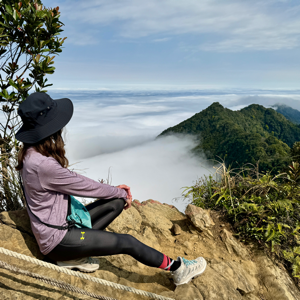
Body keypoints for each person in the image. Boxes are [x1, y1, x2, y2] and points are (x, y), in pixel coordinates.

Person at [15, 92, 206, 286]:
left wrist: (117, 193)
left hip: (64, 223)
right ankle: (178, 269)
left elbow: (75, 182)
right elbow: (83, 186)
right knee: (127, 242)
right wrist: (121, 191)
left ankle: (76, 254)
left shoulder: (31, 154)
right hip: (59, 240)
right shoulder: (42, 165)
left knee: (116, 203)